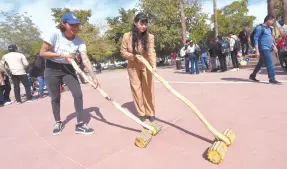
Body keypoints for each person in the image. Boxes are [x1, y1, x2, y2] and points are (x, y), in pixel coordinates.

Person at [40, 12, 101, 135]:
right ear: (64, 24)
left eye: (77, 25)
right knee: (55, 97)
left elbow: (85, 59)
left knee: (78, 94)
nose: (75, 28)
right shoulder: (55, 34)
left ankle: (80, 124)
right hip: (52, 68)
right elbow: (42, 53)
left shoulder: (79, 41)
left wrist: (93, 78)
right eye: (72, 25)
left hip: (68, 68)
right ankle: (58, 122)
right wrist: (62, 55)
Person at [120, 13, 157, 123]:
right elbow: (123, 52)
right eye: (141, 23)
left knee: (148, 88)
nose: (144, 26)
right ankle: (141, 113)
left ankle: (150, 112)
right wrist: (134, 56)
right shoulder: (127, 36)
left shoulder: (150, 37)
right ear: (136, 23)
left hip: (146, 64)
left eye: (145, 24)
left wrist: (154, 66)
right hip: (133, 64)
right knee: (136, 89)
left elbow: (151, 52)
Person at [249, 15, 281, 84]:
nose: (273, 22)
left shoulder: (269, 28)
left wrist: (274, 46)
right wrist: (257, 51)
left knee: (260, 63)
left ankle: (252, 76)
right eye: (272, 21)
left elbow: (270, 38)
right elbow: (255, 39)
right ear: (268, 20)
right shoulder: (259, 28)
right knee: (269, 63)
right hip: (263, 48)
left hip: (269, 48)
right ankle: (272, 79)